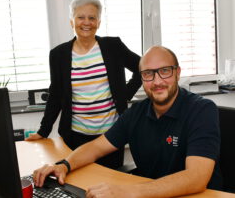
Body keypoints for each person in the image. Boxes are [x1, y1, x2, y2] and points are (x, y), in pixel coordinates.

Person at [33, 46, 222, 197]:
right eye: (148, 73)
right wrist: (63, 165)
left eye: (165, 71)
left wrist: (130, 191)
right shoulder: (137, 112)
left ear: (177, 73)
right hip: (151, 193)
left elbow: (196, 178)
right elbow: (95, 148)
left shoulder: (202, 110)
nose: (157, 81)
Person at [25, 0, 142, 170]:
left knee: (108, 186)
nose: (86, 22)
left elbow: (142, 68)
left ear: (99, 22)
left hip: (111, 136)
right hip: (75, 138)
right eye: (80, 17)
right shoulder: (59, 55)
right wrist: (43, 131)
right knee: (77, 186)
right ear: (72, 21)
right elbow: (55, 95)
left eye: (92, 18)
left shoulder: (113, 47)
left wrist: (124, 95)